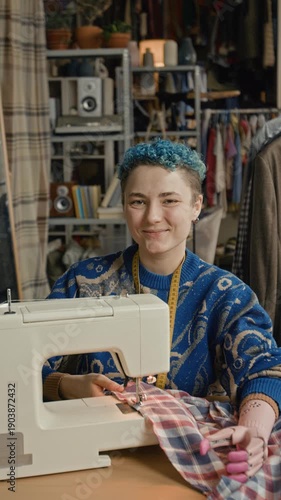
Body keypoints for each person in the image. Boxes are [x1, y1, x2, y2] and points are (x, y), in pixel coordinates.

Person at [43, 139, 281, 483]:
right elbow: (20, 370)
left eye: (170, 201)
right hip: (94, 456)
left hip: (179, 463)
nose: (153, 217)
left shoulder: (226, 295)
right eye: (138, 201)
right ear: (124, 206)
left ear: (196, 206)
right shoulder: (82, 283)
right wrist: (67, 385)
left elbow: (264, 369)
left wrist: (254, 430)